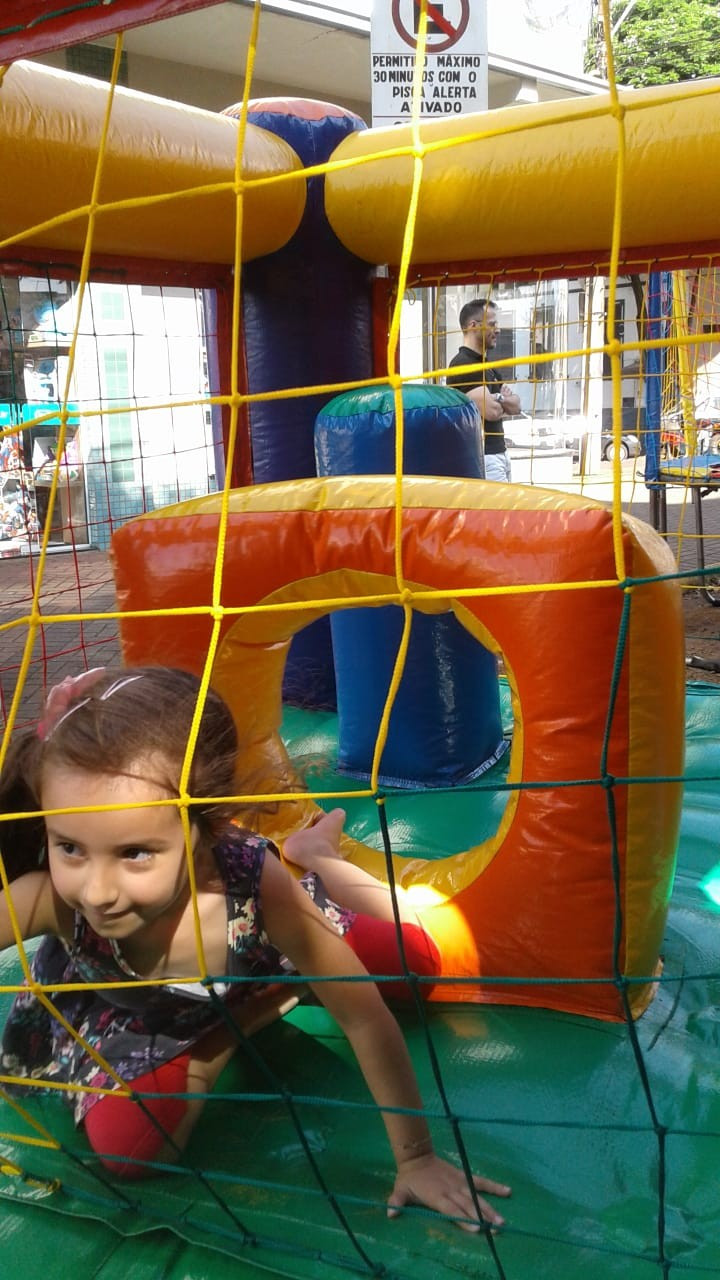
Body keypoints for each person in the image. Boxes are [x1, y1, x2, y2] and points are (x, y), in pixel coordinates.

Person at [0, 665, 511, 1229]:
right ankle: (241, 1020)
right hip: (144, 1015)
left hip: (265, 956)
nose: (97, 891)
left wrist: (417, 1159)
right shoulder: (51, 899)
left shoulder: (251, 883)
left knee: (416, 965)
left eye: (135, 853)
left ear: (207, 827)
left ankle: (319, 856)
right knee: (130, 1149)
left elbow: (363, 1015)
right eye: (70, 847)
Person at [446, 299, 522, 483]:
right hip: (483, 456)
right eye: (492, 324)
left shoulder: (488, 366)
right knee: (499, 503)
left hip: (500, 453)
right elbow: (492, 411)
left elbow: (517, 406)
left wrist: (497, 398)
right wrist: (503, 400)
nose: (498, 330)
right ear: (473, 326)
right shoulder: (463, 364)